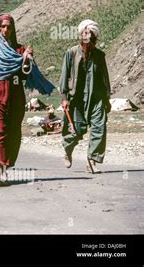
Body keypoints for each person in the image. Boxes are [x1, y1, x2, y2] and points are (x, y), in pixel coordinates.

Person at [0, 13, 54, 186]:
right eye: (3, 26)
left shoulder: (19, 50)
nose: (6, 30)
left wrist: (27, 60)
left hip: (14, 98)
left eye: (9, 27)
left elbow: (24, 75)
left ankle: (4, 164)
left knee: (12, 132)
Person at [59, 19, 111, 173]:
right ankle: (68, 149)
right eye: (85, 36)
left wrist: (106, 99)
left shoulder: (99, 56)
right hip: (77, 100)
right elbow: (64, 76)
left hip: (97, 100)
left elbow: (104, 79)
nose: (88, 40)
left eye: (91, 37)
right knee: (76, 130)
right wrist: (64, 98)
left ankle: (92, 160)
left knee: (99, 129)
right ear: (81, 37)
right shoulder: (71, 53)